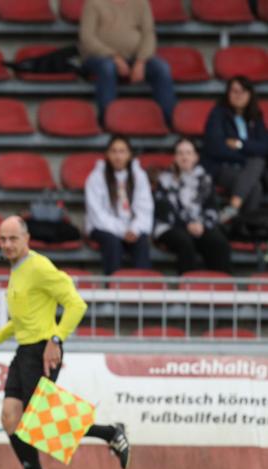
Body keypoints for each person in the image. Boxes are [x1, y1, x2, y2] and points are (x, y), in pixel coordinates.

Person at [0, 216, 130, 469]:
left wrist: (57, 339)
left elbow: (76, 303)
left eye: (13, 238)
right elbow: (23, 318)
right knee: (10, 418)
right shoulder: (18, 270)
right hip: (24, 351)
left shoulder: (39, 267)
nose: (7, 244)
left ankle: (111, 433)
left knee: (39, 418)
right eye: (3, 239)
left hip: (41, 352)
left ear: (26, 239)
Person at [79, 0, 176, 126]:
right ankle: (107, 120)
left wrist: (141, 60)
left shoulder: (141, 3)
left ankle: (168, 122)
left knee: (161, 68)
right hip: (99, 57)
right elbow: (87, 38)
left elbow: (149, 34)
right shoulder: (93, 3)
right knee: (107, 68)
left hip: (135, 58)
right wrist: (114, 56)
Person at [154, 138, 232, 274]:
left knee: (219, 243)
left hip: (199, 226)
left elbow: (212, 209)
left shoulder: (205, 180)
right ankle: (187, 290)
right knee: (185, 242)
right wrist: (187, 225)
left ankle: (220, 288)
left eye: (189, 153)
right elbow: (165, 211)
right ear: (174, 157)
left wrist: (201, 224)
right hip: (170, 227)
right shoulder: (164, 181)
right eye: (180, 153)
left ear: (196, 157)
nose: (185, 157)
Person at [201, 76, 268, 223]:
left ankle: (234, 211)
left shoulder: (256, 117)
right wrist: (248, 156)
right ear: (228, 94)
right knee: (256, 164)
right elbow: (216, 147)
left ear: (250, 94)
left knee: (256, 185)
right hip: (222, 167)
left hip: (247, 169)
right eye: (234, 91)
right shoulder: (218, 114)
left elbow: (265, 146)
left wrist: (240, 145)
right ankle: (245, 227)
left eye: (243, 91)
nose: (238, 95)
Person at [85, 135, 154, 275]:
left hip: (131, 229)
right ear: (107, 154)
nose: (118, 156)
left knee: (142, 242)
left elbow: (145, 207)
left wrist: (135, 228)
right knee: (113, 242)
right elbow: (96, 213)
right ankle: (112, 291)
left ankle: (142, 292)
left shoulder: (139, 175)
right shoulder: (96, 177)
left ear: (129, 154)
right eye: (114, 151)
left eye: (122, 151)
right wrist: (122, 230)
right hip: (102, 228)